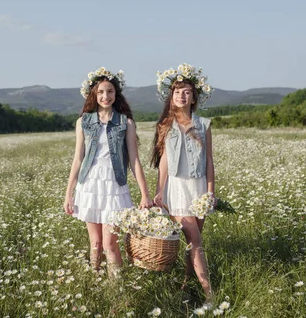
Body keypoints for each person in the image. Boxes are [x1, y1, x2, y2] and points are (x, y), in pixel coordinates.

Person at [64, 67, 153, 278]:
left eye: (110, 91)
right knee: (95, 243)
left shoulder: (126, 123)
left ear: (116, 94)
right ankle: (95, 285)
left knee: (110, 244)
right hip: (89, 185)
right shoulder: (83, 122)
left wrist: (145, 193)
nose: (105, 96)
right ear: (94, 94)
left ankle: (118, 291)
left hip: (115, 186)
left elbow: (134, 161)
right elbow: (78, 159)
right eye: (101, 92)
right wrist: (68, 193)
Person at [150, 63, 216, 307]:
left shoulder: (204, 124)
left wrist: (210, 192)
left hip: (199, 188)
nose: (182, 95)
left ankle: (185, 286)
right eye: (178, 91)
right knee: (195, 241)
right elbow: (164, 162)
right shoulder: (166, 126)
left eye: (187, 91)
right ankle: (210, 295)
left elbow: (210, 161)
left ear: (194, 97)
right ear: (172, 96)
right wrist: (159, 191)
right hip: (177, 189)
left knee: (192, 243)